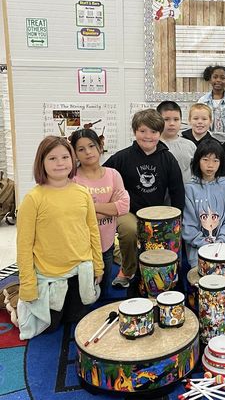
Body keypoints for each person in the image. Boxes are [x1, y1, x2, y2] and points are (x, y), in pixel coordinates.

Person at [15, 136, 103, 339]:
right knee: (48, 327)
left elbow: (92, 232)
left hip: (80, 272)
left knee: (76, 318)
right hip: (49, 275)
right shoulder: (33, 198)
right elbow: (24, 245)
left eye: (65, 157)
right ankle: (12, 299)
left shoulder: (82, 193)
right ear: (42, 162)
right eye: (52, 158)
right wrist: (27, 285)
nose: (60, 163)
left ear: (72, 159)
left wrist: (98, 266)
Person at [104, 109, 184, 287]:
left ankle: (167, 272)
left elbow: (177, 191)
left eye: (153, 131)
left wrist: (179, 218)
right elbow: (103, 175)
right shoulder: (122, 157)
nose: (148, 136)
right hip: (129, 211)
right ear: (135, 132)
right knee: (130, 230)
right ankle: (127, 270)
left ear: (160, 133)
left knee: (169, 235)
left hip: (158, 214)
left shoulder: (168, 159)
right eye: (142, 131)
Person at [71, 129, 130, 296]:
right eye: (81, 149)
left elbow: (124, 206)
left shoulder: (113, 174)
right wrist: (111, 207)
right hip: (82, 248)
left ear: (100, 146)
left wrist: (92, 207)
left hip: (107, 243)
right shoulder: (73, 179)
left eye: (91, 146)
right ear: (75, 153)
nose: (88, 152)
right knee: (84, 295)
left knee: (103, 292)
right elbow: (77, 214)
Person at [182, 139, 225, 268]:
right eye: (205, 160)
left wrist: (221, 241)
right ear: (197, 160)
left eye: (215, 161)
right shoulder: (189, 189)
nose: (210, 165)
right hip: (198, 253)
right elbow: (188, 225)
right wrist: (204, 244)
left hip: (224, 249)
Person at [156, 100, 196, 184]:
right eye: (166, 119)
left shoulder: (190, 145)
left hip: (186, 191)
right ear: (158, 121)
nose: (172, 123)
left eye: (176, 119)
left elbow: (196, 173)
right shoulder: (152, 145)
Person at [198, 65, 225, 140]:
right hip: (207, 140)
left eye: (222, 78)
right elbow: (199, 121)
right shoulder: (202, 101)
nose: (218, 80)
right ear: (210, 79)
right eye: (215, 77)